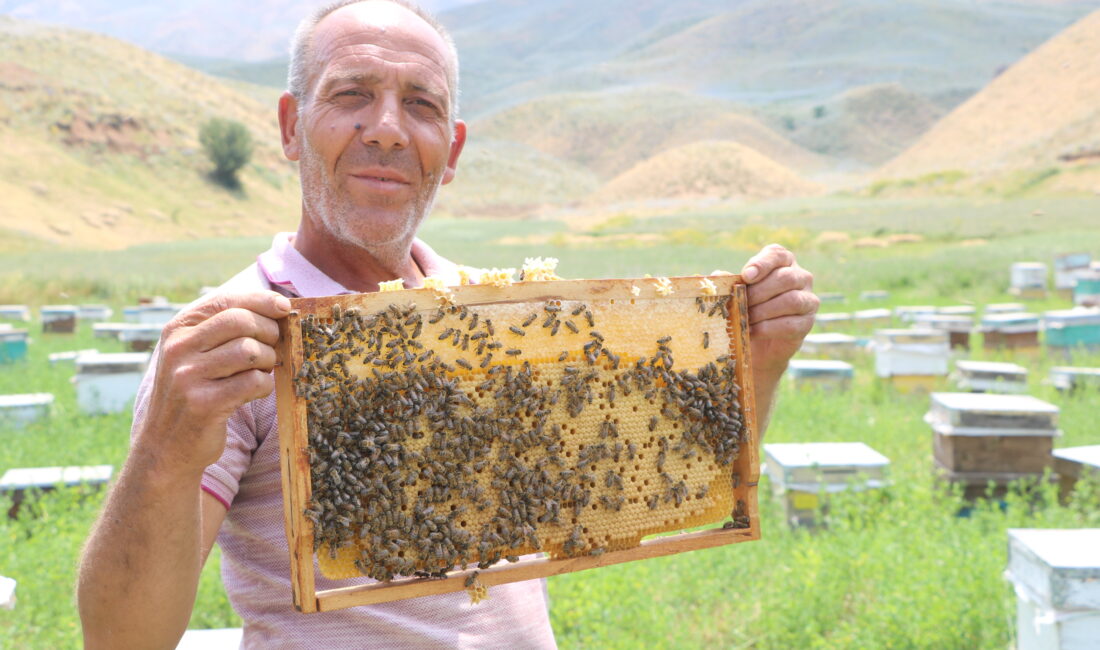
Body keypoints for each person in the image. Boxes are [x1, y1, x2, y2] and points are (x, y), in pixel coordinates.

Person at [76, 1, 818, 647]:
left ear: (452, 151)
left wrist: (759, 357)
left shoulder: (503, 319)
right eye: (351, 95)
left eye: (421, 106)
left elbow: (666, 479)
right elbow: (121, 639)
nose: (389, 130)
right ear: (290, 127)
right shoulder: (234, 340)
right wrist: (167, 450)